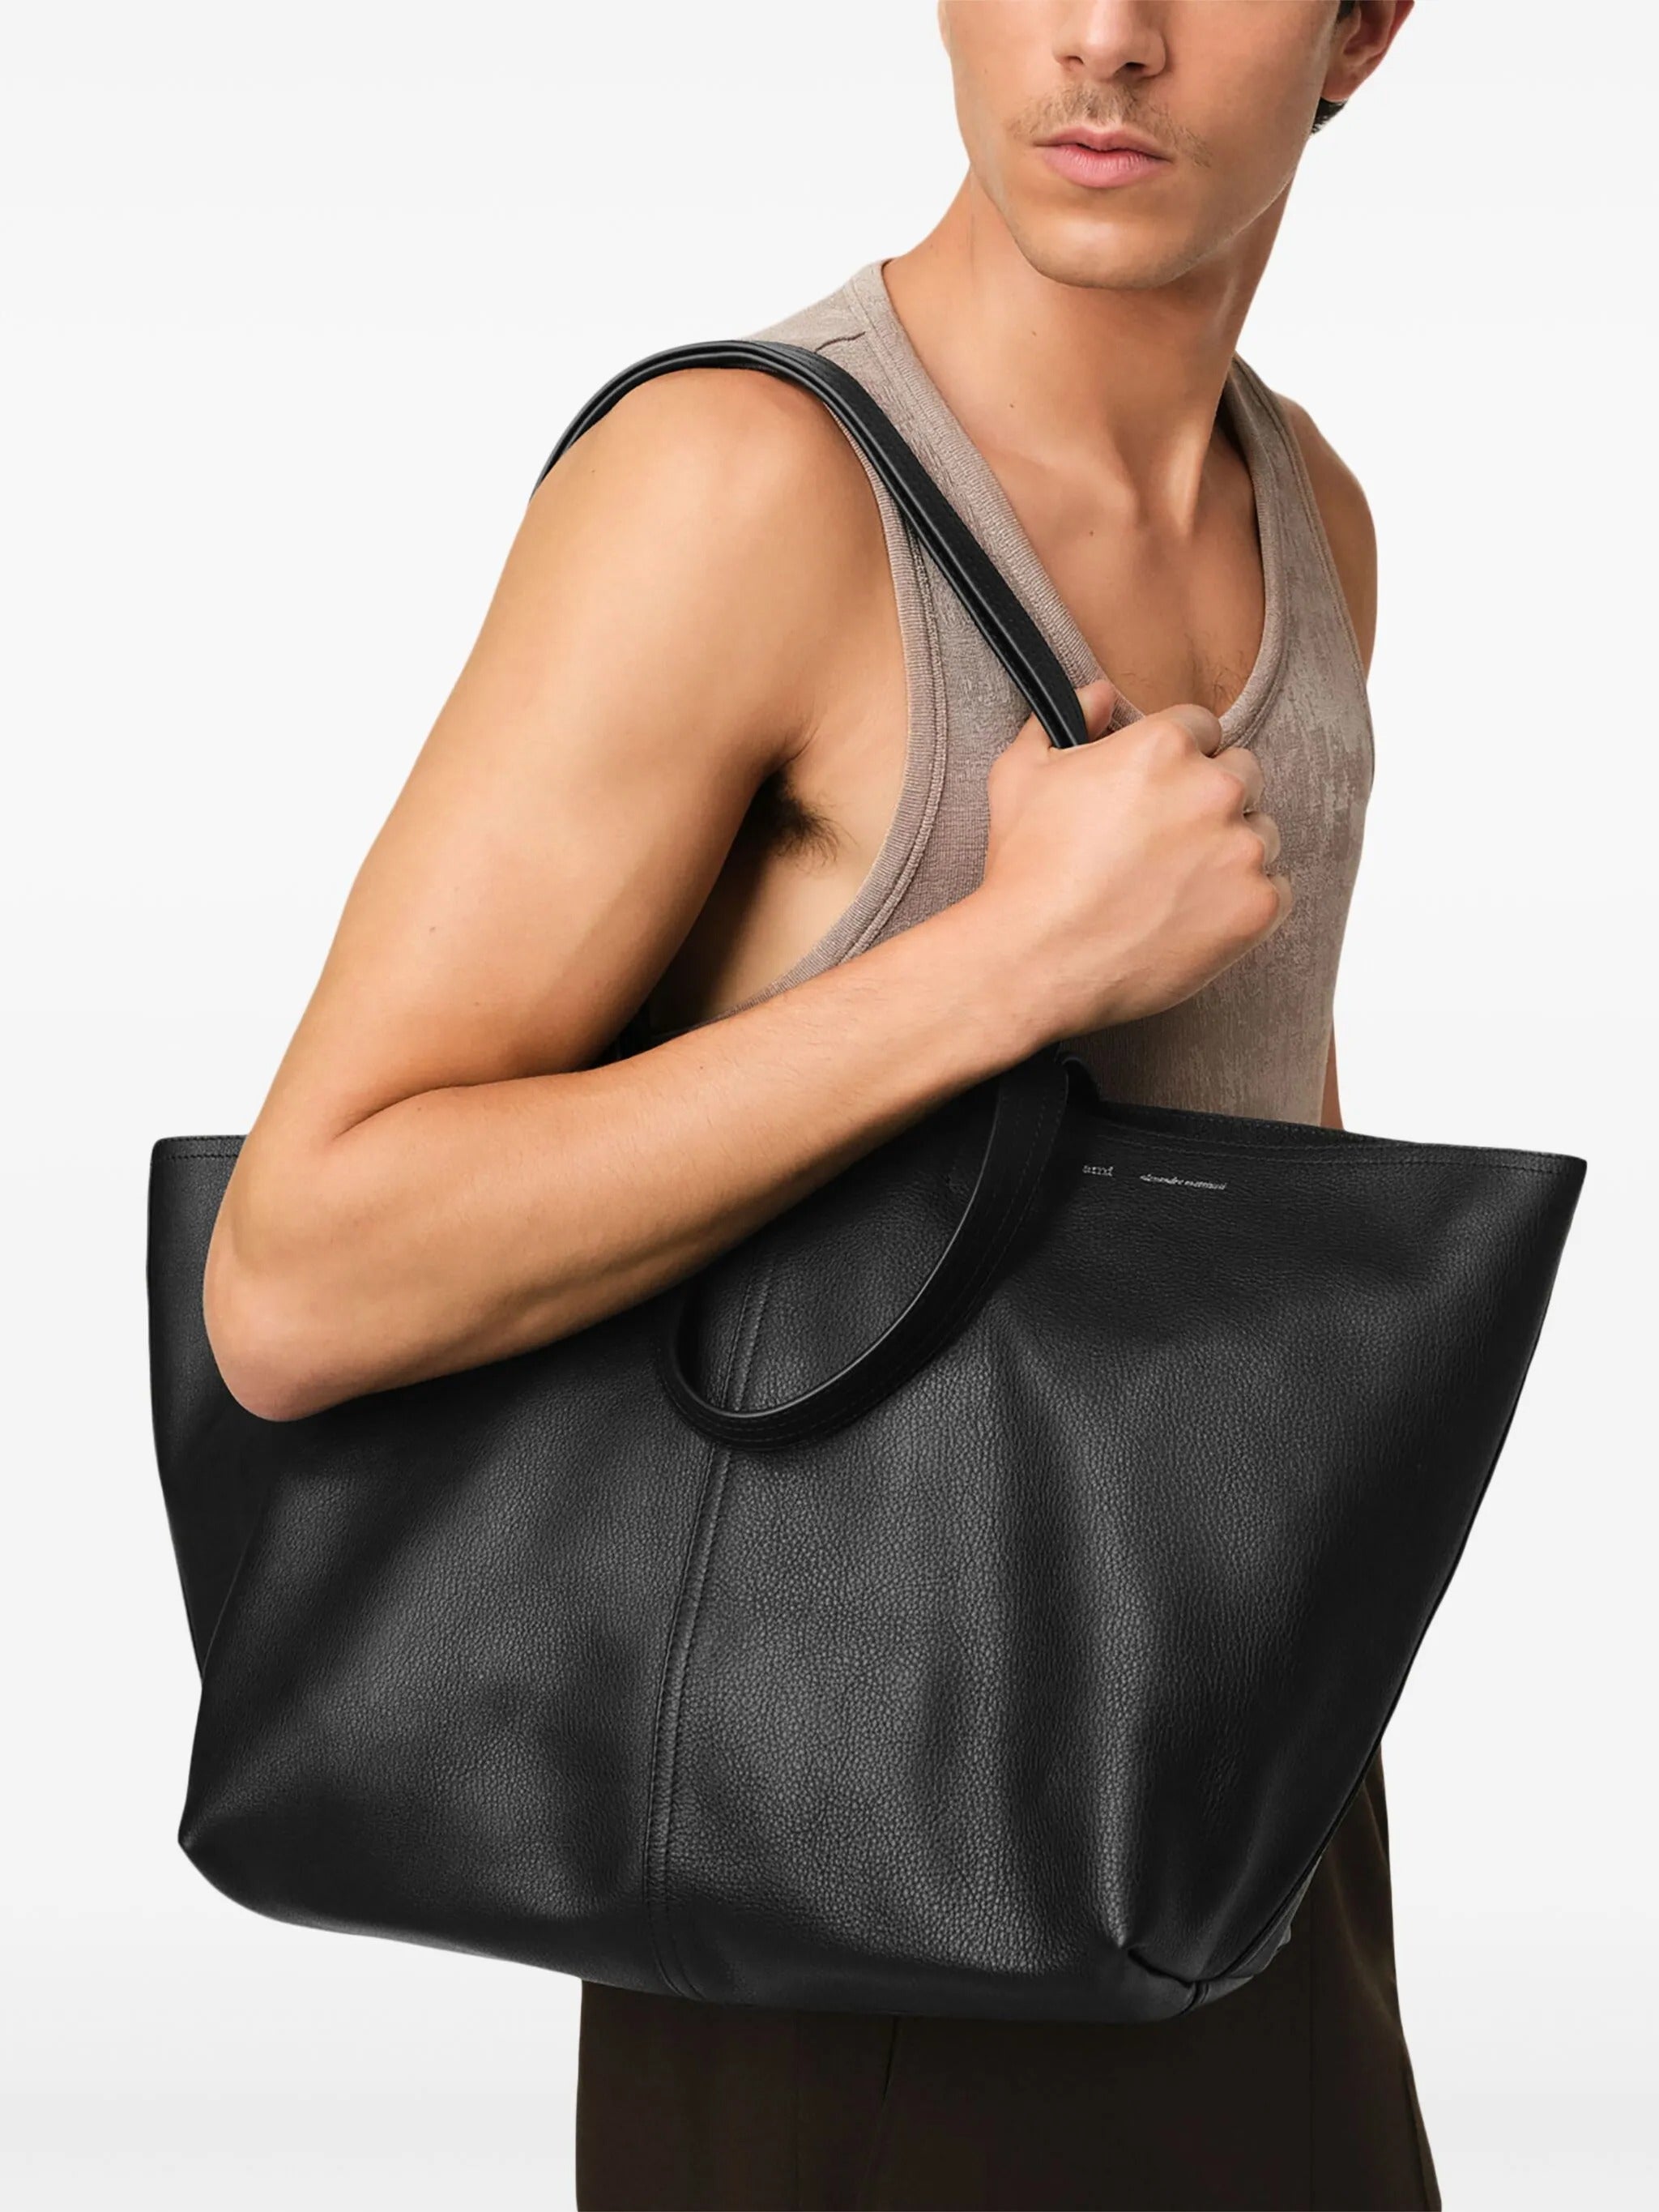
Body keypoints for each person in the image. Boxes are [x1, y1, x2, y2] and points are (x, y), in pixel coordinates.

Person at [203, 2, 1435, 2204]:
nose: (1107, 38)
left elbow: (1255, 1194)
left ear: (1365, 25)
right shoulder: (739, 487)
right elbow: (297, 1281)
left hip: (1250, 1817)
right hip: (837, 1842)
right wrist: (1007, 965)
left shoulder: (1316, 517)